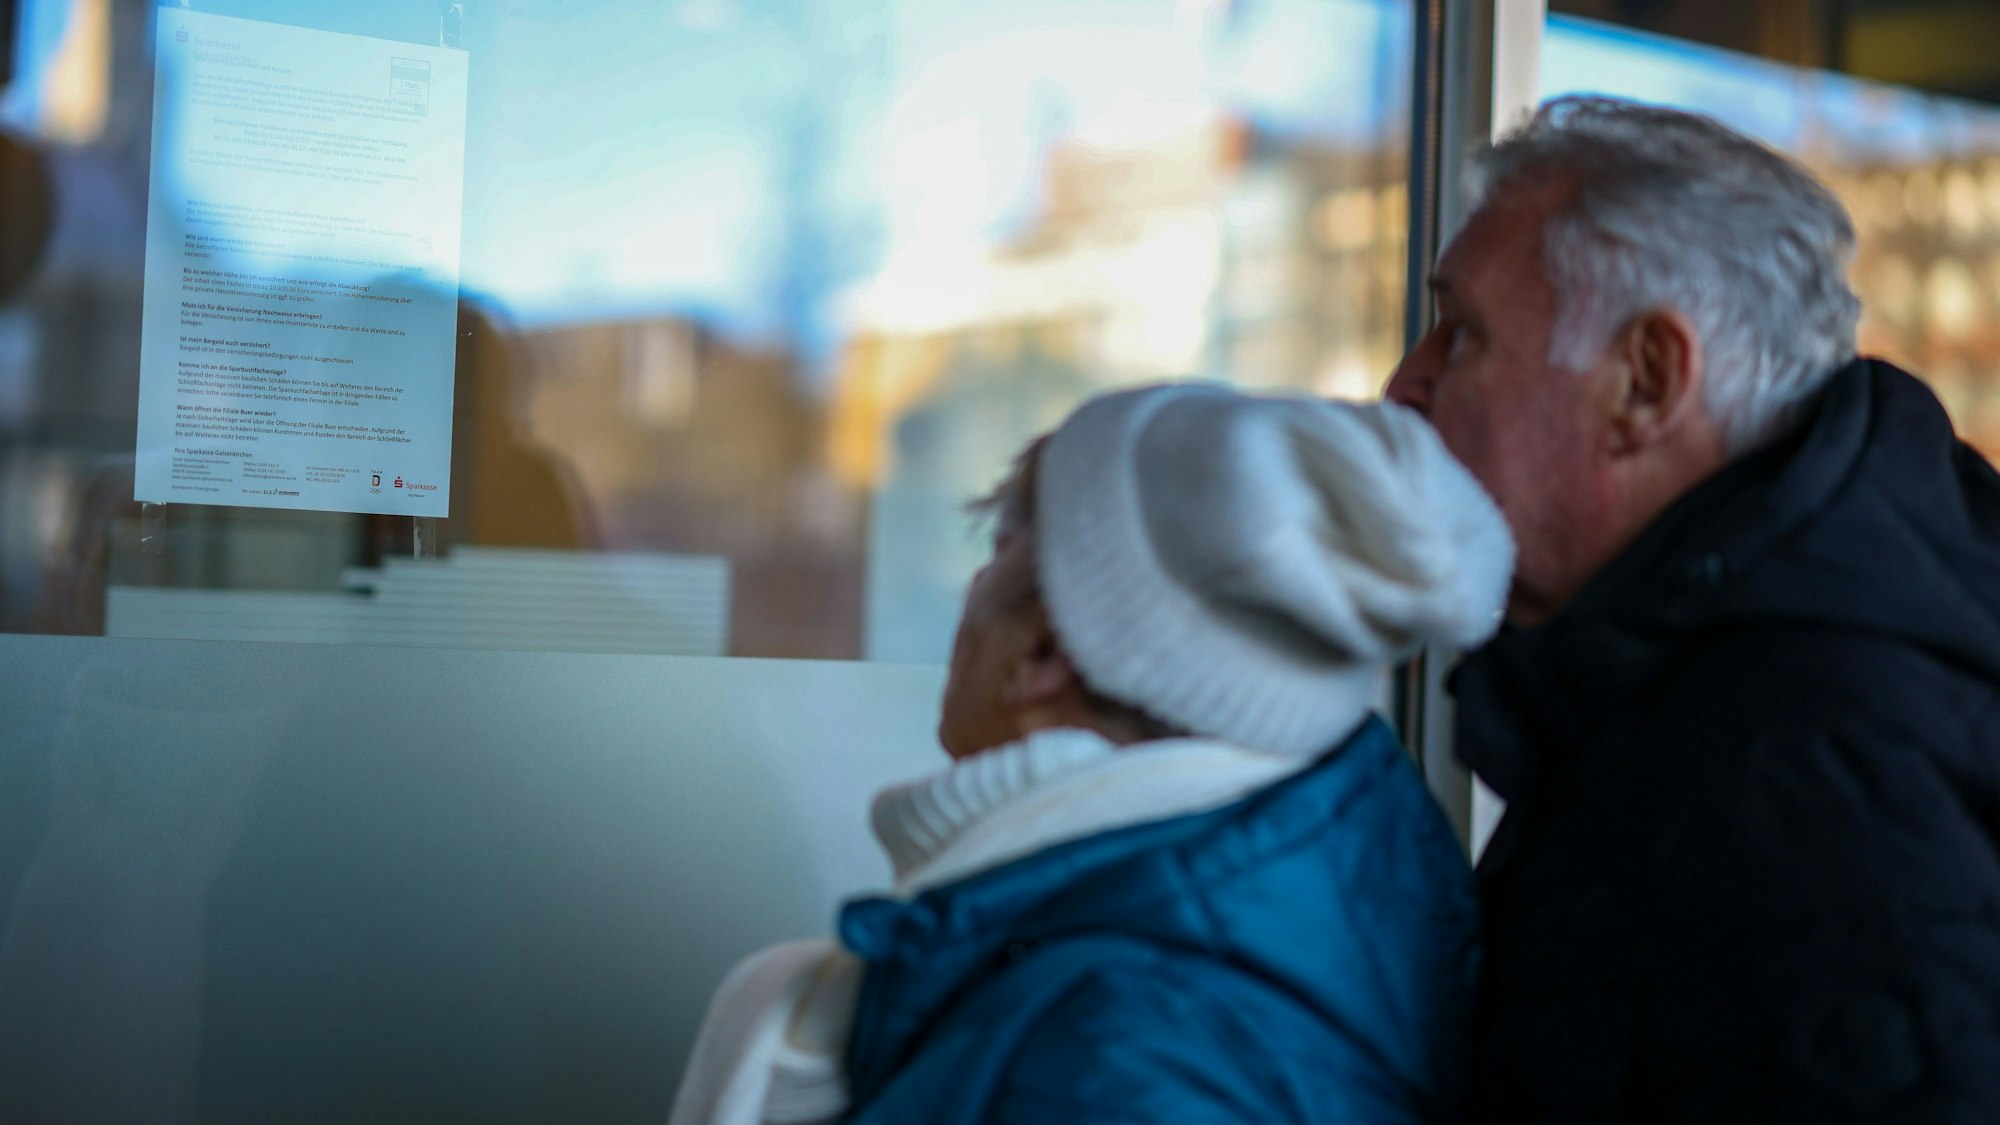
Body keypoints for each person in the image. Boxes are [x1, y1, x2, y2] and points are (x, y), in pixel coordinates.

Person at [1385, 95, 2000, 1121]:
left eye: (1461, 335)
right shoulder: (1709, 691)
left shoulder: (1804, 776)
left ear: (1644, 380)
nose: (1404, 387)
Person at [670, 383, 1514, 1124]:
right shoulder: (1316, 906)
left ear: (1042, 651)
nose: (968, 592)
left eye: (998, 546)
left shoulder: (1111, 1062)